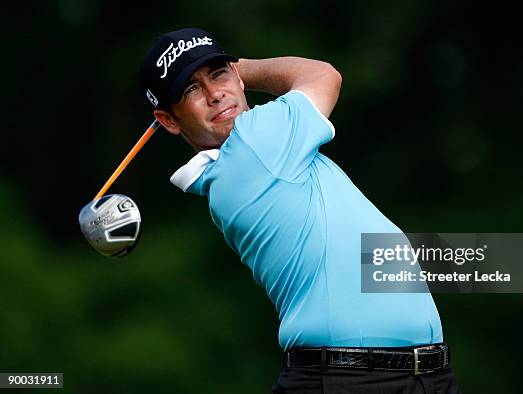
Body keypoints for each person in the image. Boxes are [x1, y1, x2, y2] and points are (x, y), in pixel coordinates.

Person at [139, 27, 461, 393]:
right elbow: (323, 75)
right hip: (352, 379)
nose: (215, 94)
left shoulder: (258, 153)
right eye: (192, 90)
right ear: (168, 119)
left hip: (414, 376)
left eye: (218, 74)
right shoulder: (254, 145)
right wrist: (242, 68)